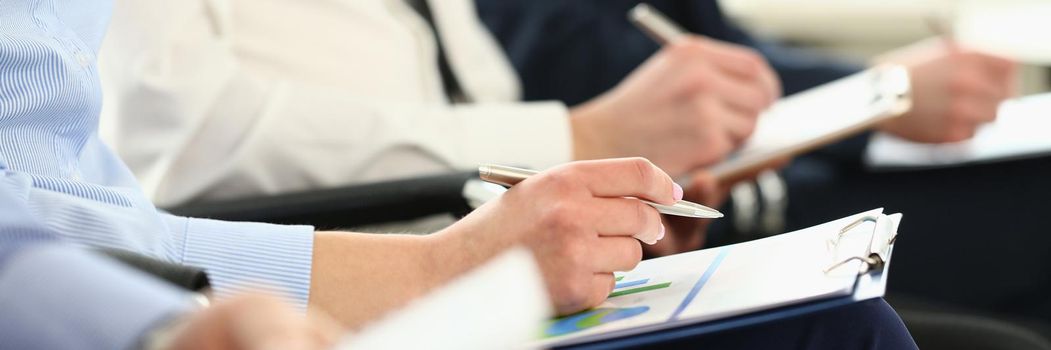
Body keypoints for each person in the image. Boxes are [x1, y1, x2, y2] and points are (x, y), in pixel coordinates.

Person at [0, 1, 922, 349]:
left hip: (416, 250)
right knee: (839, 333)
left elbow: (71, 210)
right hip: (305, 278)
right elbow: (179, 150)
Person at [475, 0, 1051, 322]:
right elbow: (620, 71)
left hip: (758, 183)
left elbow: (721, 43)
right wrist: (878, 91)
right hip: (704, 214)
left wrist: (870, 91)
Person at [97, 0, 776, 212]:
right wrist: (577, 136)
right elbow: (184, 138)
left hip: (489, 245)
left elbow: (477, 92)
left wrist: (595, 197)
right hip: (371, 280)